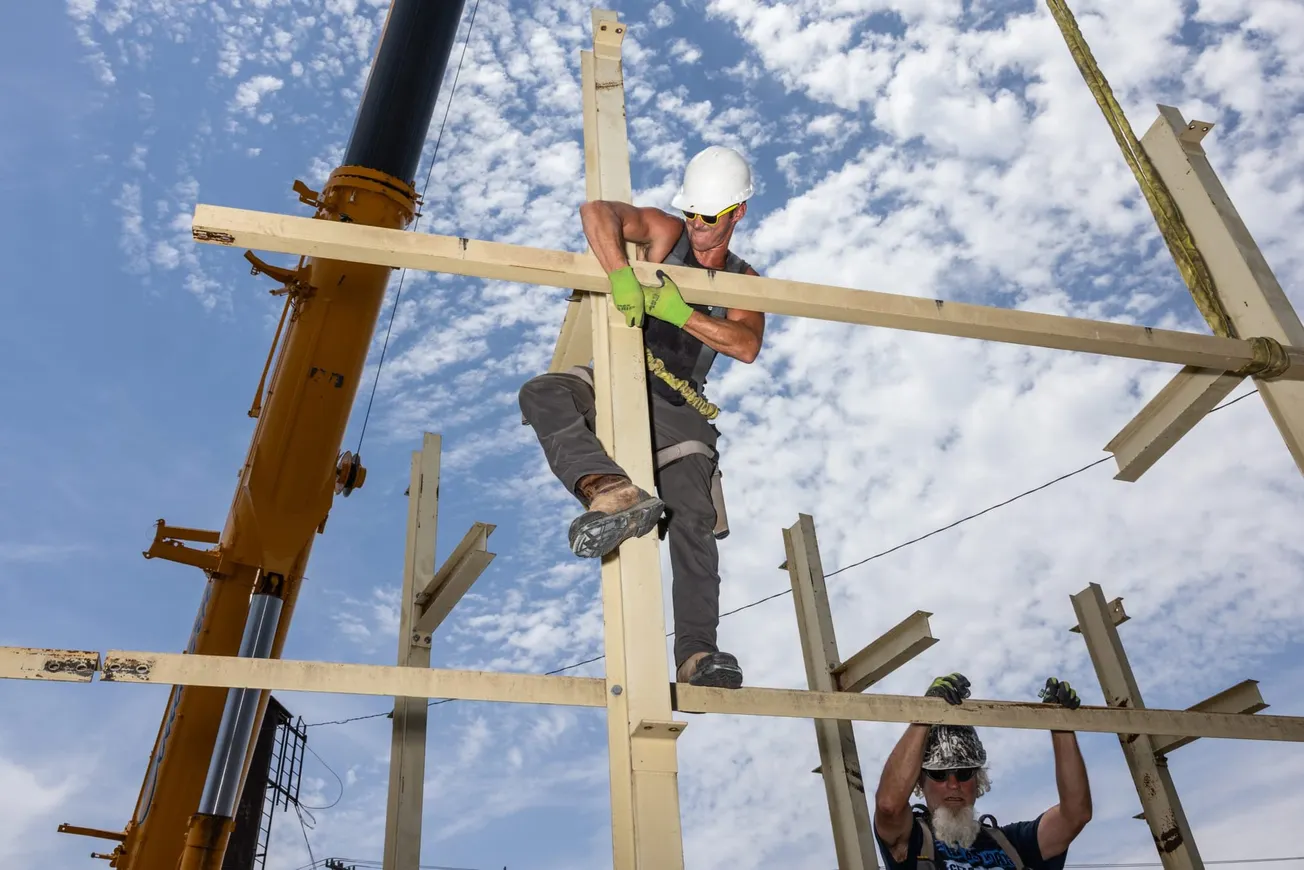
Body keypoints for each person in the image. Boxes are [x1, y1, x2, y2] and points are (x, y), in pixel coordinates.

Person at [518, 145, 764, 689]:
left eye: (711, 217)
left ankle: (698, 656)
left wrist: (683, 312)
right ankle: (609, 489)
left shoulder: (745, 281)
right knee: (543, 393)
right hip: (617, 375)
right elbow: (595, 212)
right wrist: (621, 274)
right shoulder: (665, 234)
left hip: (679, 404)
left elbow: (747, 344)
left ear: (737, 213)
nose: (698, 227)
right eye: (693, 213)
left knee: (693, 523)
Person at [873, 673, 1093, 870]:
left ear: (978, 780)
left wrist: (1061, 724)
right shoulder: (912, 842)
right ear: (919, 782)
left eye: (964, 773)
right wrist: (926, 714)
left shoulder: (1011, 843)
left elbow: (1075, 814)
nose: (953, 784)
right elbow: (889, 806)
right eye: (939, 774)